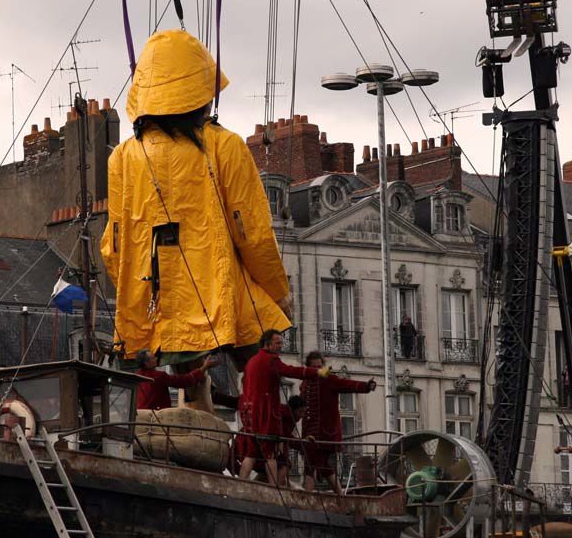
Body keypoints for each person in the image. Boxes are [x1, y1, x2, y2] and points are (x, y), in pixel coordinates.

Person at [101, 30, 292, 378]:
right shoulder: (224, 145)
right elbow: (252, 233)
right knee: (264, 383)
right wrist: (278, 292)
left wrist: (135, 290)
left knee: (157, 399)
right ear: (202, 90)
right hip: (224, 298)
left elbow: (114, 246)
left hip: (151, 305)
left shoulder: (123, 158)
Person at [237, 330, 325, 483]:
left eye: (281, 343)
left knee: (251, 453)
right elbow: (290, 371)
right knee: (270, 453)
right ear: (267, 344)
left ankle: (239, 484)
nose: (280, 346)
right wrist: (315, 372)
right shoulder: (271, 360)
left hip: (250, 412)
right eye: (277, 343)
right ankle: (273, 490)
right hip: (265, 413)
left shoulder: (251, 361)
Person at [300, 351, 377, 494]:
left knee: (311, 465)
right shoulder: (305, 383)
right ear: (309, 367)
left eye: (319, 366)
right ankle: (341, 495)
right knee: (323, 466)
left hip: (325, 433)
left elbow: (347, 384)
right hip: (309, 432)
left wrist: (366, 386)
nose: (317, 369)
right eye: (314, 367)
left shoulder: (329, 379)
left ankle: (307, 496)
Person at [135, 349, 218, 410]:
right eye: (153, 358)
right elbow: (184, 381)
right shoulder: (158, 376)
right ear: (147, 363)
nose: (156, 359)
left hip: (141, 414)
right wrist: (204, 367)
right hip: (157, 416)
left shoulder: (136, 375)